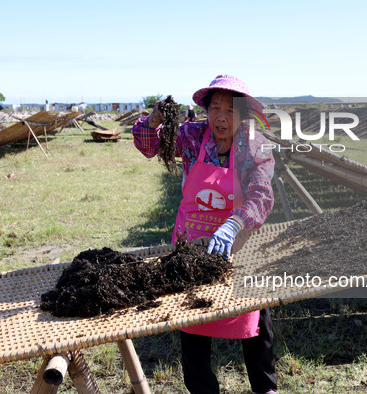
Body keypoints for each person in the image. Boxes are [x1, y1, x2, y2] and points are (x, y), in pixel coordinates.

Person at [132, 75, 277, 394]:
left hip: (237, 244)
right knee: (193, 321)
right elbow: (149, 145)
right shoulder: (192, 136)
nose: (222, 116)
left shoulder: (254, 146)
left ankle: (265, 389)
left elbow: (262, 192)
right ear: (206, 110)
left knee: (254, 321)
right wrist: (156, 118)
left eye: (230, 109)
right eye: (215, 108)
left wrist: (234, 223)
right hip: (191, 244)